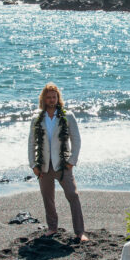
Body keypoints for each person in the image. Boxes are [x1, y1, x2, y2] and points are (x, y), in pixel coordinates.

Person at [27, 82, 87, 241]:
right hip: (44, 165)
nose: (52, 100)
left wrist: (71, 161)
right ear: (44, 99)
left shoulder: (68, 116)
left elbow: (76, 140)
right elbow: (31, 143)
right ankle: (52, 228)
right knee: (47, 198)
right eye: (48, 97)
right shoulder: (37, 118)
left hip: (63, 164)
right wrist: (33, 165)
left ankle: (80, 232)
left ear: (58, 98)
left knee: (73, 195)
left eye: (54, 97)